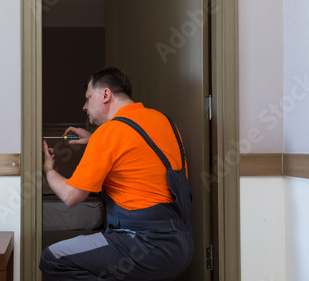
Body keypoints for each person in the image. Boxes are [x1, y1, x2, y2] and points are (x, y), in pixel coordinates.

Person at [40, 67, 194, 281]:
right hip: (180, 247)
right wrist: (95, 139)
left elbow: (70, 196)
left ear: (105, 95)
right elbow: (137, 152)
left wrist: (48, 168)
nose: (84, 107)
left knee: (52, 258)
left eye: (88, 97)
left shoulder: (109, 133)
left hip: (142, 245)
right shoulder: (164, 120)